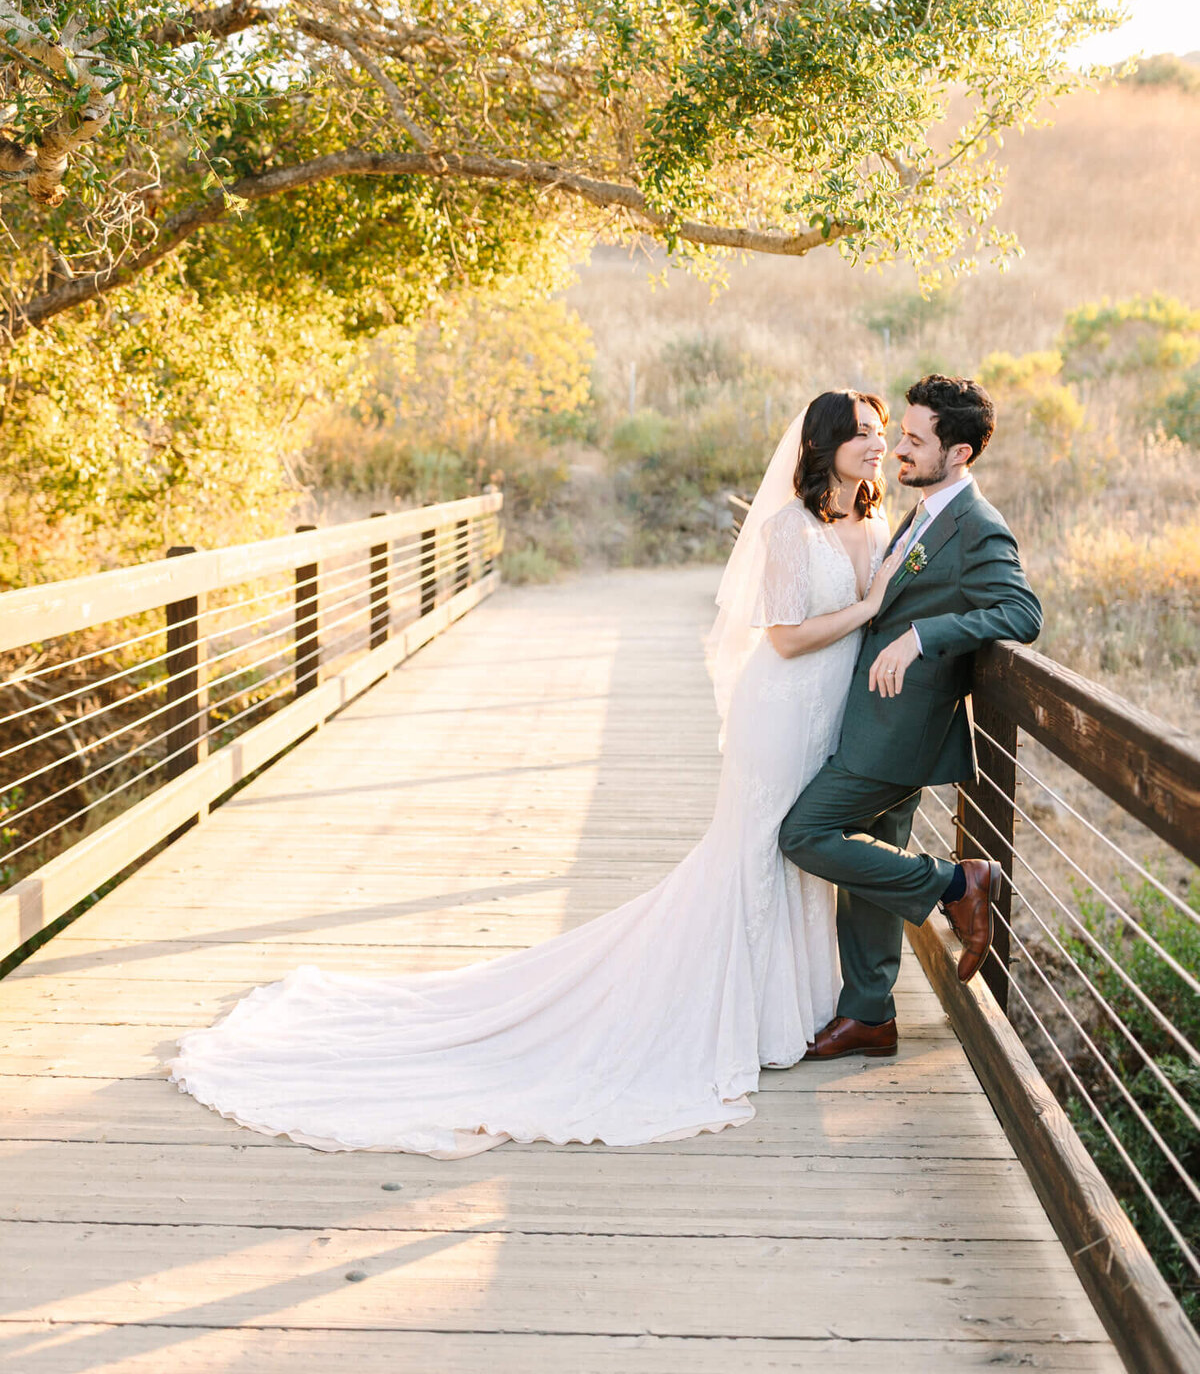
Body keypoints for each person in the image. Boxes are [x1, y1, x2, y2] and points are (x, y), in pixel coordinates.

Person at [171, 389, 902, 1156]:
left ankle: (797, 1008)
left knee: (804, 853)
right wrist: (872, 606)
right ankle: (742, 1017)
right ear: (823, 445)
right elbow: (784, 639)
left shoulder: (875, 519)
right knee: (758, 850)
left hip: (832, 717)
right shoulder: (788, 528)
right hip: (782, 710)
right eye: (860, 434)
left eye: (881, 434)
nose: (875, 445)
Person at [777, 374, 1043, 1061]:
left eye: (915, 440)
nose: (899, 447)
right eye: (901, 433)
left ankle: (956, 882)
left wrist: (923, 638)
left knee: (804, 833)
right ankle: (869, 1014)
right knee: (872, 859)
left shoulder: (978, 526)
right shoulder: (926, 510)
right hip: (874, 717)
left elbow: (1022, 613)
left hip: (902, 728)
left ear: (957, 454)